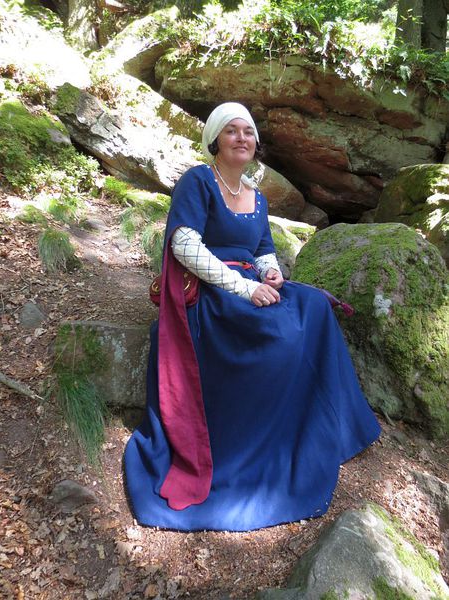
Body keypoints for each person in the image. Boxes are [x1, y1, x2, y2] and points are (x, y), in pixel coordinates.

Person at [124, 102, 381, 532]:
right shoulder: (198, 181)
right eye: (232, 130)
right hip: (213, 291)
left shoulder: (257, 197)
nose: (241, 138)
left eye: (248, 131)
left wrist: (270, 272)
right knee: (278, 335)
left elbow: (262, 250)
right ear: (215, 139)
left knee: (315, 307)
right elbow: (184, 245)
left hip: (250, 284)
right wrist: (243, 288)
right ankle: (259, 438)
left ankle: (332, 430)